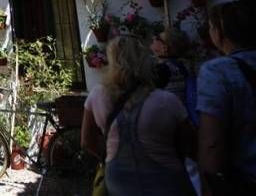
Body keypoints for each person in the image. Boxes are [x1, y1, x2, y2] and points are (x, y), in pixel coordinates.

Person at [81, 35, 196, 196]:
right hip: (165, 178)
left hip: (117, 178)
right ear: (144, 60)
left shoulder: (97, 95)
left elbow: (87, 141)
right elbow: (191, 145)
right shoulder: (165, 101)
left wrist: (110, 155)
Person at [197, 1, 256, 194]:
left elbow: (212, 142)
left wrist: (210, 186)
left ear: (220, 31)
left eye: (211, 27)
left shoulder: (217, 70)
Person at [152, 27, 197, 123]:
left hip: (170, 120)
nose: (153, 38)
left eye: (157, 38)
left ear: (165, 48)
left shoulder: (163, 69)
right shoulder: (185, 65)